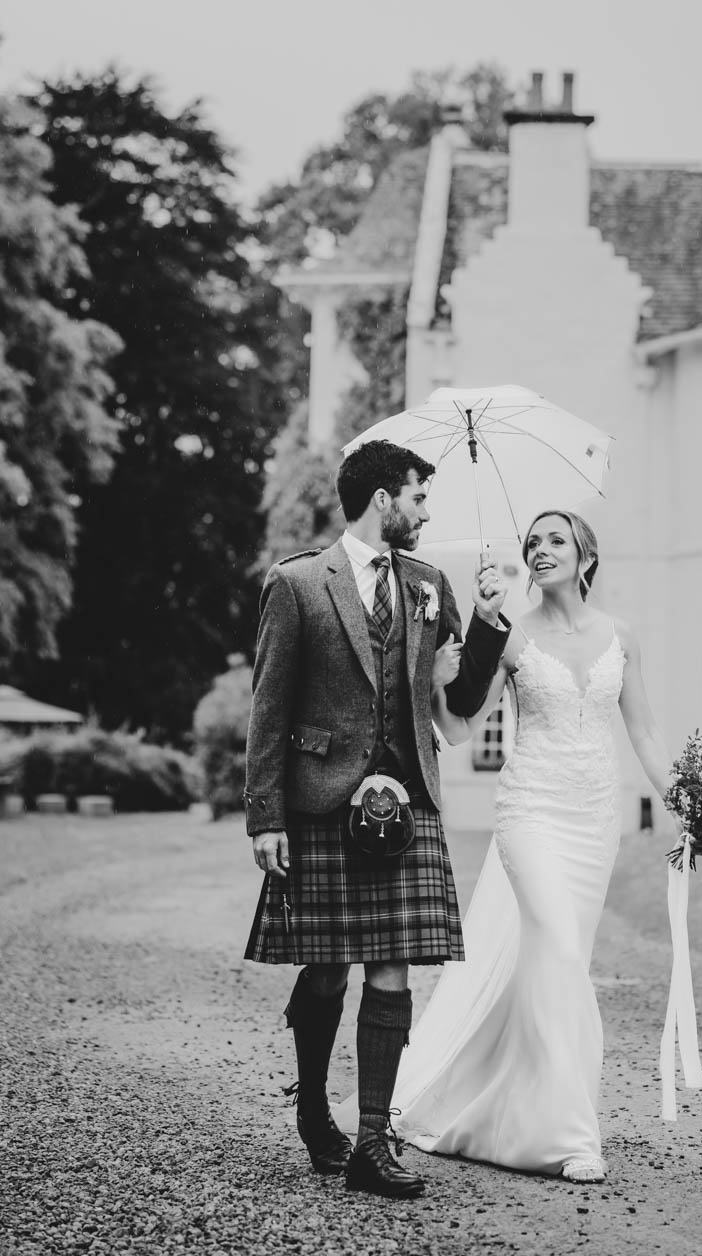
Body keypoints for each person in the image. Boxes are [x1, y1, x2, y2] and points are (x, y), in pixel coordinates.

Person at [243, 439, 509, 1200]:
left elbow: (455, 707)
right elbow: (270, 705)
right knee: (326, 966)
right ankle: (313, 1112)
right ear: (383, 498)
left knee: (391, 965)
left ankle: (372, 1140)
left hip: (408, 802)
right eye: (419, 496)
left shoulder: (429, 584)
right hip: (321, 799)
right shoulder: (297, 583)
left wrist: (487, 626)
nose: (427, 511)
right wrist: (266, 815)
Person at [385, 509, 677, 1183]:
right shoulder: (509, 637)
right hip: (531, 815)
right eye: (532, 543)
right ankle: (573, 1134)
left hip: (594, 820)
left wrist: (686, 800)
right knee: (563, 951)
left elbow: (647, 734)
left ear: (585, 556)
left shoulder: (620, 636)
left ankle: (513, 1100)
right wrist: (437, 674)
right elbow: (458, 729)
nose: (541, 550)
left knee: (552, 961)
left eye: (555, 540)